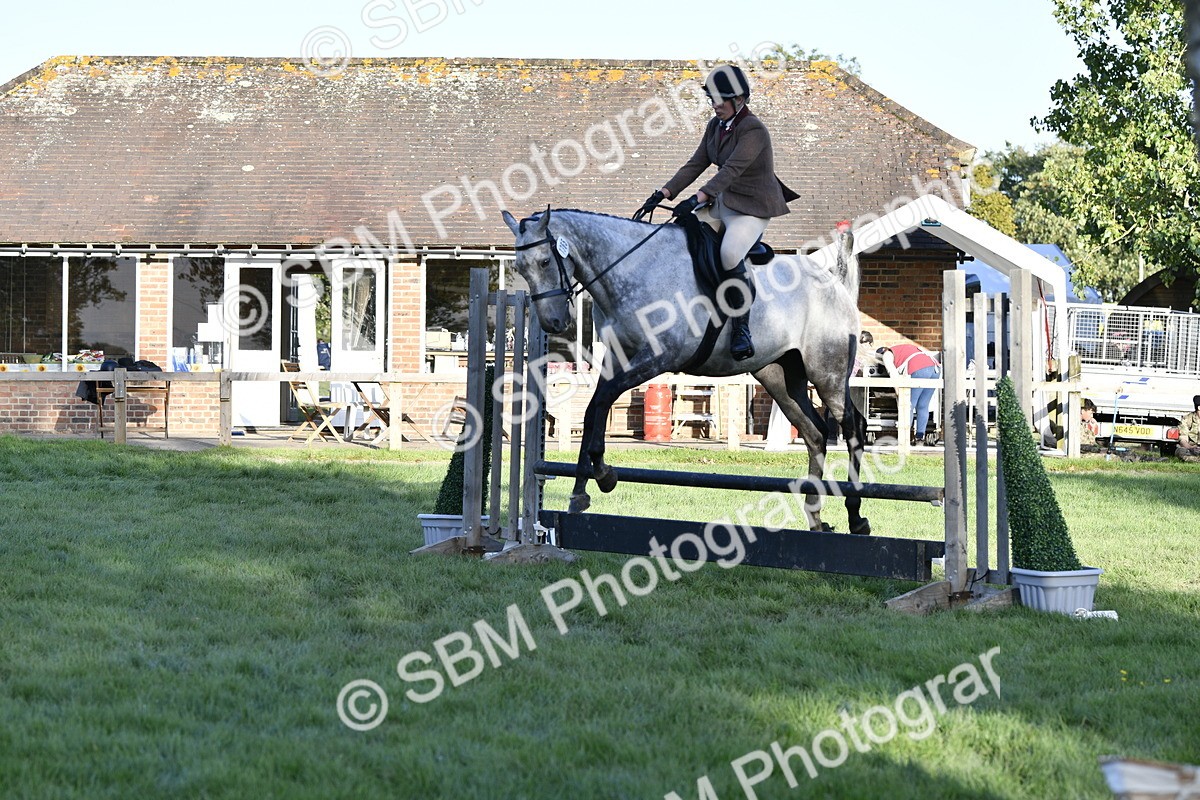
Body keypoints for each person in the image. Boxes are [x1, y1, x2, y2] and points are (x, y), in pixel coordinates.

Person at [640, 64, 798, 362]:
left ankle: (741, 327)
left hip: (752, 206)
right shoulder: (715, 126)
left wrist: (698, 197)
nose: (714, 105)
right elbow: (695, 163)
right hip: (724, 202)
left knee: (727, 255)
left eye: (720, 99)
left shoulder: (754, 130)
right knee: (682, 234)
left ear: (739, 99)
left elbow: (731, 170)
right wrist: (664, 193)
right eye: (711, 99)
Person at [879, 342, 941, 445]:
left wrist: (898, 391)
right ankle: (920, 438)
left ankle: (904, 439)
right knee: (923, 405)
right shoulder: (903, 347)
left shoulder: (886, 354)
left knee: (908, 405)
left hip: (919, 369)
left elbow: (892, 373)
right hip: (935, 368)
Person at [1177, 394, 1200, 462]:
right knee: (1180, 451)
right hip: (1193, 448)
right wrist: (1190, 448)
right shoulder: (1187, 419)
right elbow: (1183, 439)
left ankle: (1195, 460)